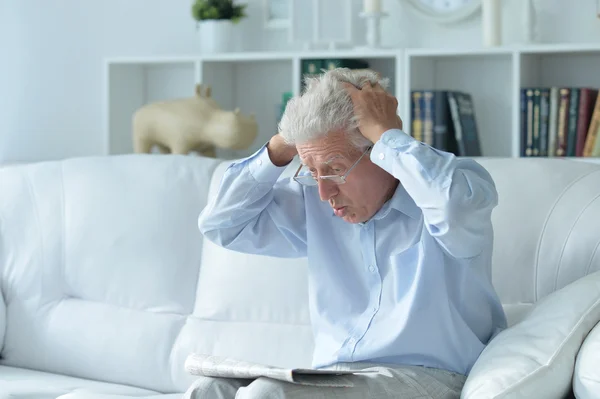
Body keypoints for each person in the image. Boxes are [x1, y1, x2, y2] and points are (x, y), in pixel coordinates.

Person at [185, 68, 507, 399]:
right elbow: (221, 224)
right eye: (312, 172)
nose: (324, 194)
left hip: (427, 379)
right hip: (332, 378)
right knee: (209, 390)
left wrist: (387, 134)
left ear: (378, 150)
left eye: (336, 169)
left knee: (266, 396)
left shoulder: (452, 190)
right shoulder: (317, 202)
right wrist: (283, 145)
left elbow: (454, 206)